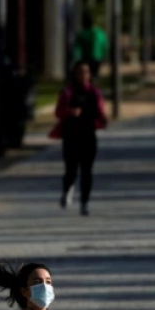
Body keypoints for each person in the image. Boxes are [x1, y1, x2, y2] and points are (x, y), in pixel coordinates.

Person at [49, 62, 108, 216]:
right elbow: (58, 112)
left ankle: (84, 202)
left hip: (88, 136)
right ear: (75, 74)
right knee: (71, 169)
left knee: (87, 171)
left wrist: (101, 119)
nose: (83, 75)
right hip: (71, 136)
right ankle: (67, 190)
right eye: (80, 71)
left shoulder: (94, 93)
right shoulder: (67, 92)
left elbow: (101, 113)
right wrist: (70, 112)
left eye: (86, 72)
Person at [71, 12, 108, 79]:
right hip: (98, 58)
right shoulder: (100, 32)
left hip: (86, 59)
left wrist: (75, 59)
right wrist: (104, 56)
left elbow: (77, 48)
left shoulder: (83, 33)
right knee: (94, 75)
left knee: (87, 76)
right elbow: (105, 46)